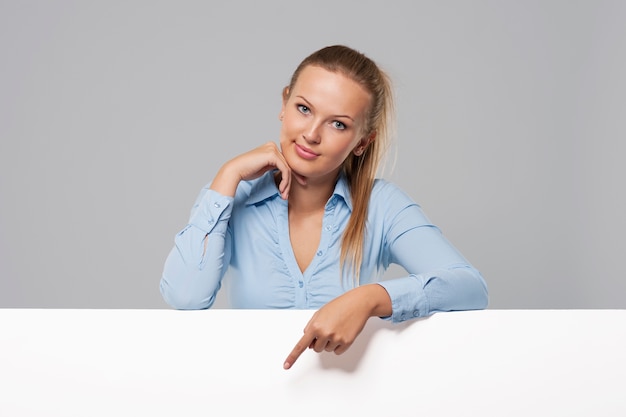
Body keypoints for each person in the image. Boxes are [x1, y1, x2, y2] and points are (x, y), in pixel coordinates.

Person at [160, 44, 488, 370]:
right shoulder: (230, 195)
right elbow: (185, 296)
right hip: (252, 393)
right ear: (284, 103)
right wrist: (227, 175)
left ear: (362, 142)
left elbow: (469, 287)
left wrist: (370, 298)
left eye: (338, 124)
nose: (311, 134)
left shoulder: (382, 206)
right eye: (304, 109)